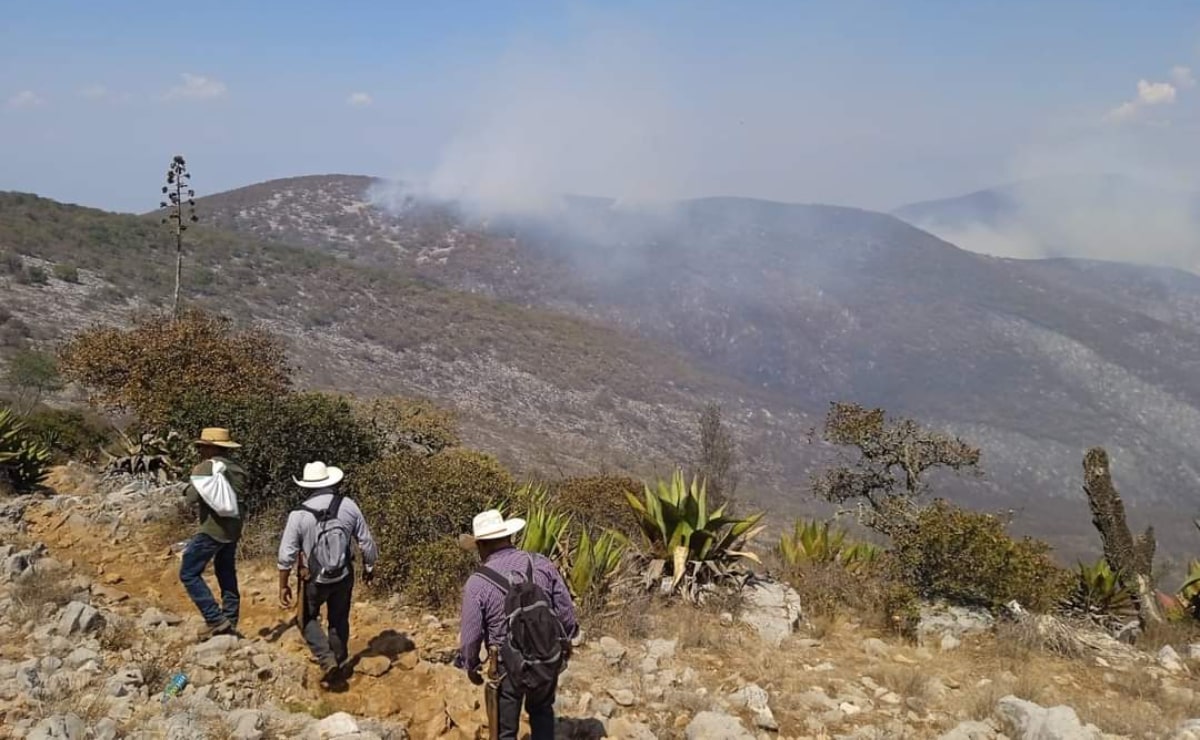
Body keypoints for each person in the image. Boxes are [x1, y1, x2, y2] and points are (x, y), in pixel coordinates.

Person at [457, 509, 579, 740]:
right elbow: (566, 613)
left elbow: (471, 636)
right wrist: (564, 644)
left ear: (482, 545)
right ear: (509, 537)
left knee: (505, 731)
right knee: (542, 711)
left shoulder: (477, 583)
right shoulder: (541, 563)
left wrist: (470, 665)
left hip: (505, 665)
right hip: (545, 656)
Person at [277, 460, 378, 686]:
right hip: (344, 574)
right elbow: (366, 542)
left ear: (306, 486)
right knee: (338, 619)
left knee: (306, 618)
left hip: (314, 579)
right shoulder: (348, 505)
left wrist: (283, 585)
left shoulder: (298, 515)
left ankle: (326, 658)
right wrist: (369, 568)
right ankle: (339, 662)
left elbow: (286, 555)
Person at [179, 427, 246, 638]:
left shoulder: (206, 467)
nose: (199, 451)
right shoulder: (238, 469)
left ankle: (215, 619)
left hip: (212, 529)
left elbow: (190, 498)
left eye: (202, 447)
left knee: (188, 572)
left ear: (210, 448)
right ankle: (231, 620)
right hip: (234, 528)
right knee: (226, 573)